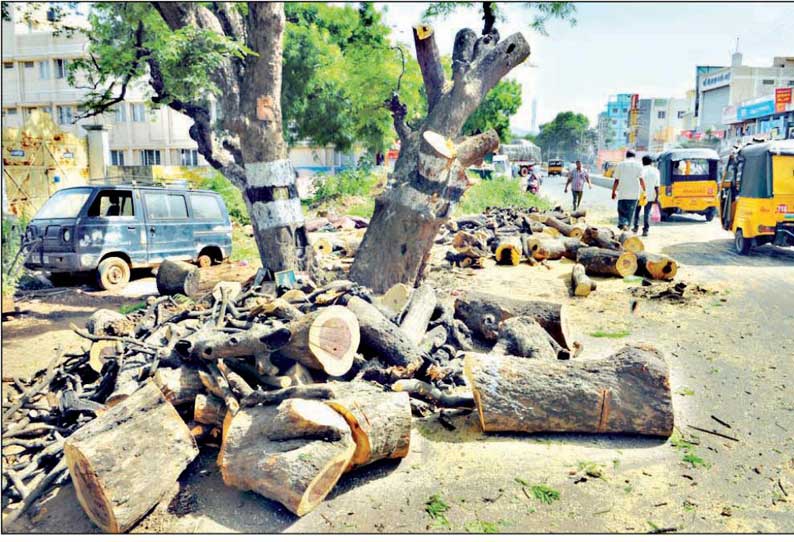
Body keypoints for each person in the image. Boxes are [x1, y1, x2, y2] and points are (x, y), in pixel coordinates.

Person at [611, 149, 645, 230]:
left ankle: (623, 224)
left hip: (622, 193)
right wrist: (644, 191)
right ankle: (626, 226)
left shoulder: (620, 164)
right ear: (634, 156)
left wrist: (613, 192)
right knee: (630, 213)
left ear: (626, 155)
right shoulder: (639, 165)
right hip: (634, 194)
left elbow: (616, 180)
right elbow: (641, 179)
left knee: (621, 211)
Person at [633, 155, 660, 236]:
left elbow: (635, 183)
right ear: (651, 162)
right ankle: (645, 230)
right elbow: (657, 185)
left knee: (637, 212)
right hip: (650, 195)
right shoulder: (656, 171)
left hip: (639, 194)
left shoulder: (639, 170)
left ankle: (635, 227)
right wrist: (657, 197)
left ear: (642, 162)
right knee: (647, 213)